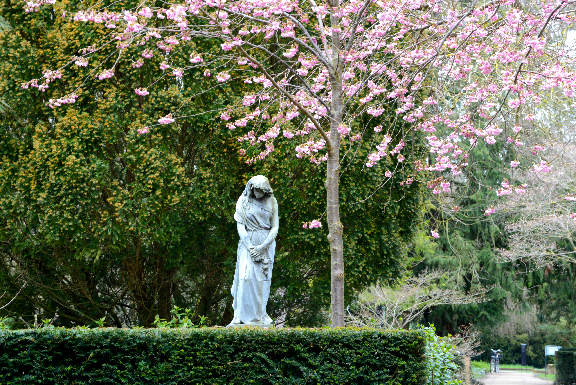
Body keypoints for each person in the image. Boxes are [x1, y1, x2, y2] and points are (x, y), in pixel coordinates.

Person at [228, 175, 279, 327]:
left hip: (266, 242)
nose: (257, 194)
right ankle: (239, 316)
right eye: (255, 190)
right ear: (251, 188)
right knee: (244, 277)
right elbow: (240, 226)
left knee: (261, 281)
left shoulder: (272, 201)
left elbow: (275, 226)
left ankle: (259, 316)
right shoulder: (243, 201)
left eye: (261, 191)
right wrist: (250, 247)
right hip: (247, 242)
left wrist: (262, 247)